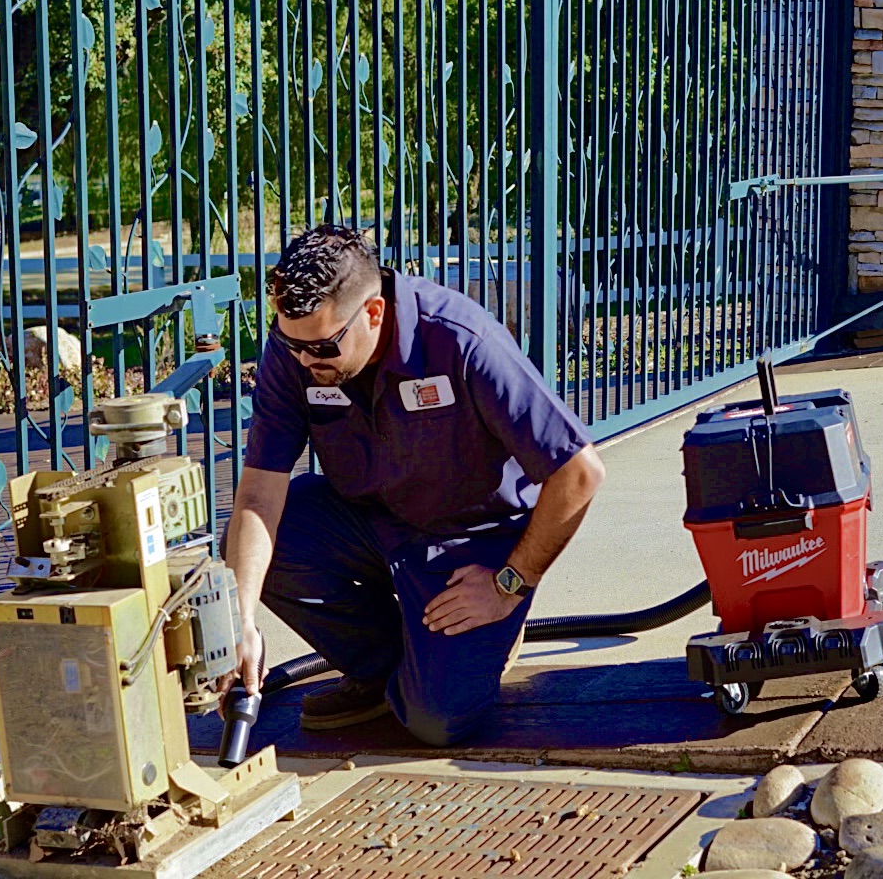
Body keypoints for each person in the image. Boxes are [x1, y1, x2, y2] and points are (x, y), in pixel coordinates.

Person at [220, 224, 605, 745]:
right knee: (261, 543)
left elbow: (578, 473)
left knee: (437, 723)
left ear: (373, 313)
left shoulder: (459, 338)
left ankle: (469, 650)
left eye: (324, 347)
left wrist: (508, 583)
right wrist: (239, 620)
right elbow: (259, 494)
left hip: (471, 543)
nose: (306, 362)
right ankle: (391, 671)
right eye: (291, 343)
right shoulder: (298, 352)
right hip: (371, 523)